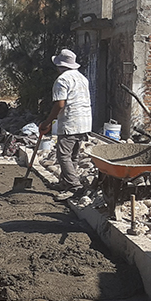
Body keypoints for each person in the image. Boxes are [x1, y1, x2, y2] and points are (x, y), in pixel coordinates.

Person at [41, 49, 93, 197]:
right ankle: (65, 182)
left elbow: (60, 104)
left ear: (59, 65)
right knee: (73, 156)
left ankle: (74, 186)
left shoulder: (62, 80)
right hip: (85, 122)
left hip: (71, 121)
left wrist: (47, 122)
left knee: (63, 155)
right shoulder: (82, 78)